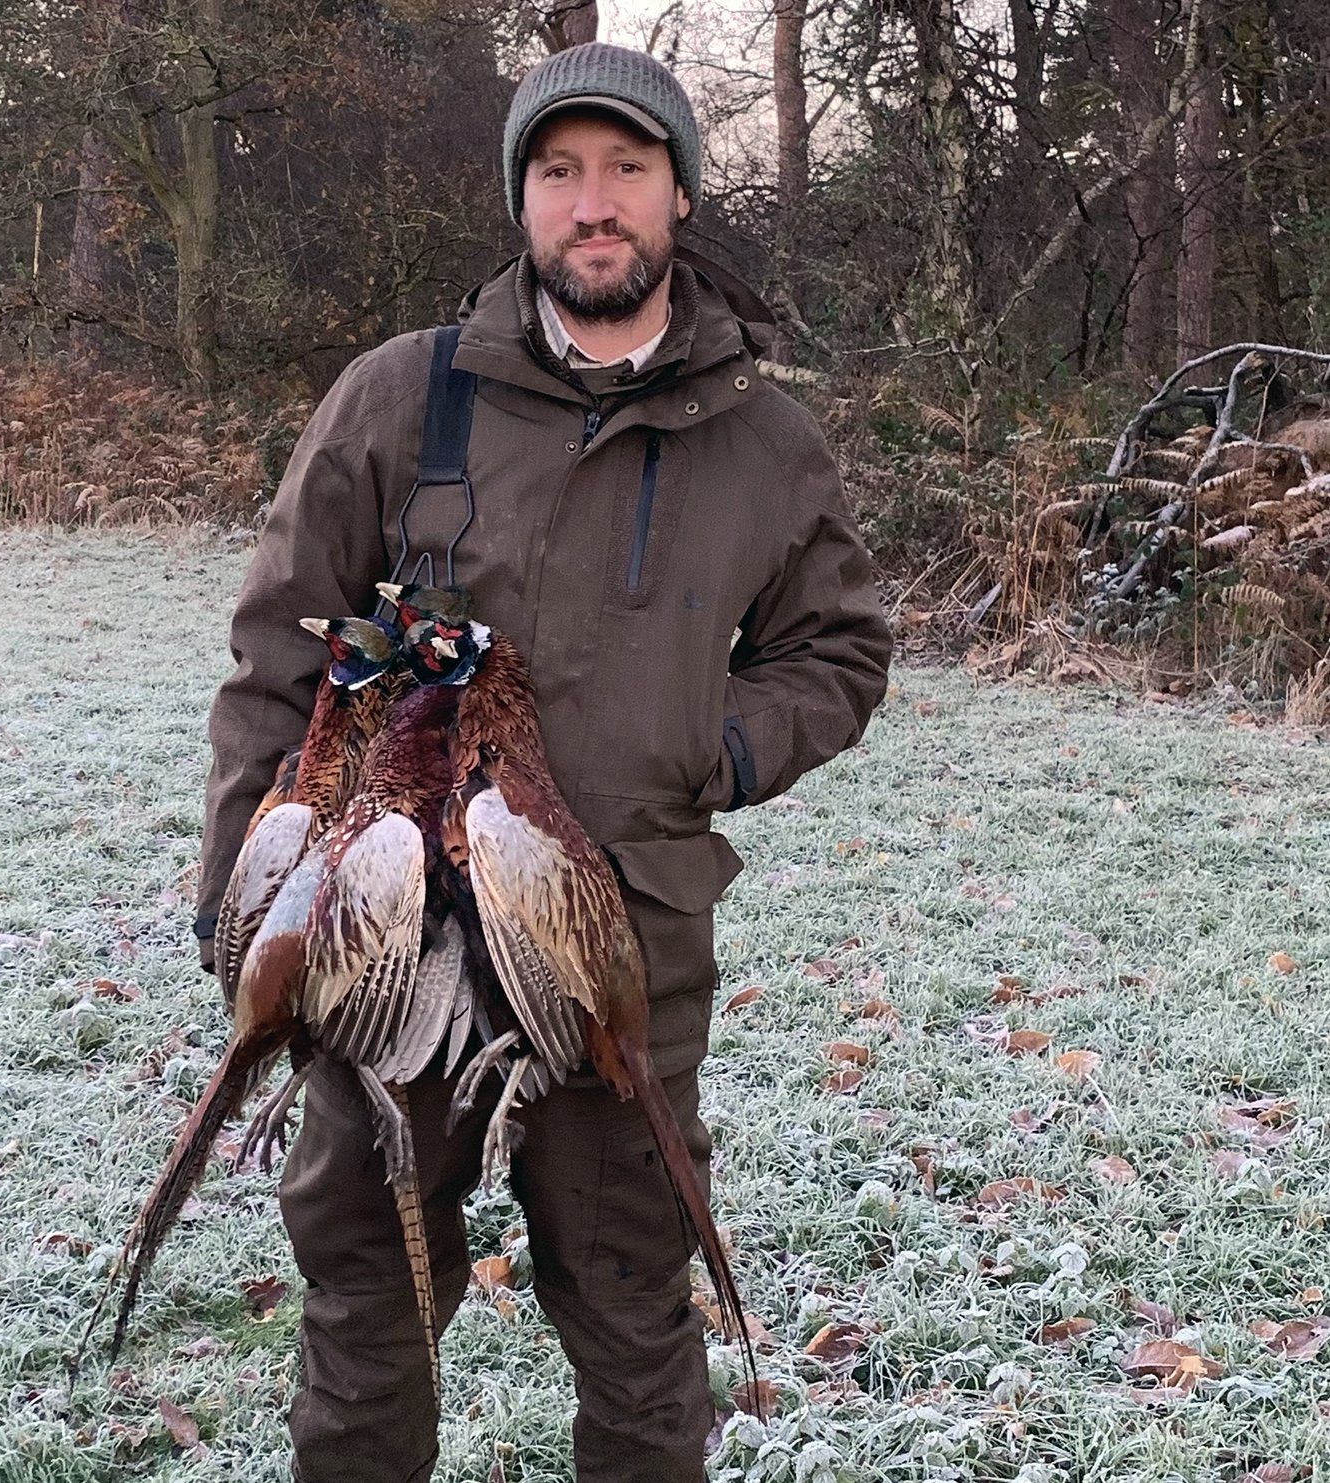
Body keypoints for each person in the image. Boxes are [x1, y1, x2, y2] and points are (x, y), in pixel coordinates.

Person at [193, 40, 892, 1483]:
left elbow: (840, 650)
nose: (593, 203)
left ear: (680, 196)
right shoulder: (403, 399)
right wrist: (245, 906)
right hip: (390, 947)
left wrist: (716, 744)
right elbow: (276, 655)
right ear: (520, 203)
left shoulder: (763, 440)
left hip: (616, 951)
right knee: (368, 1309)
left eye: (626, 169)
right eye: (558, 171)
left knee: (636, 1325)